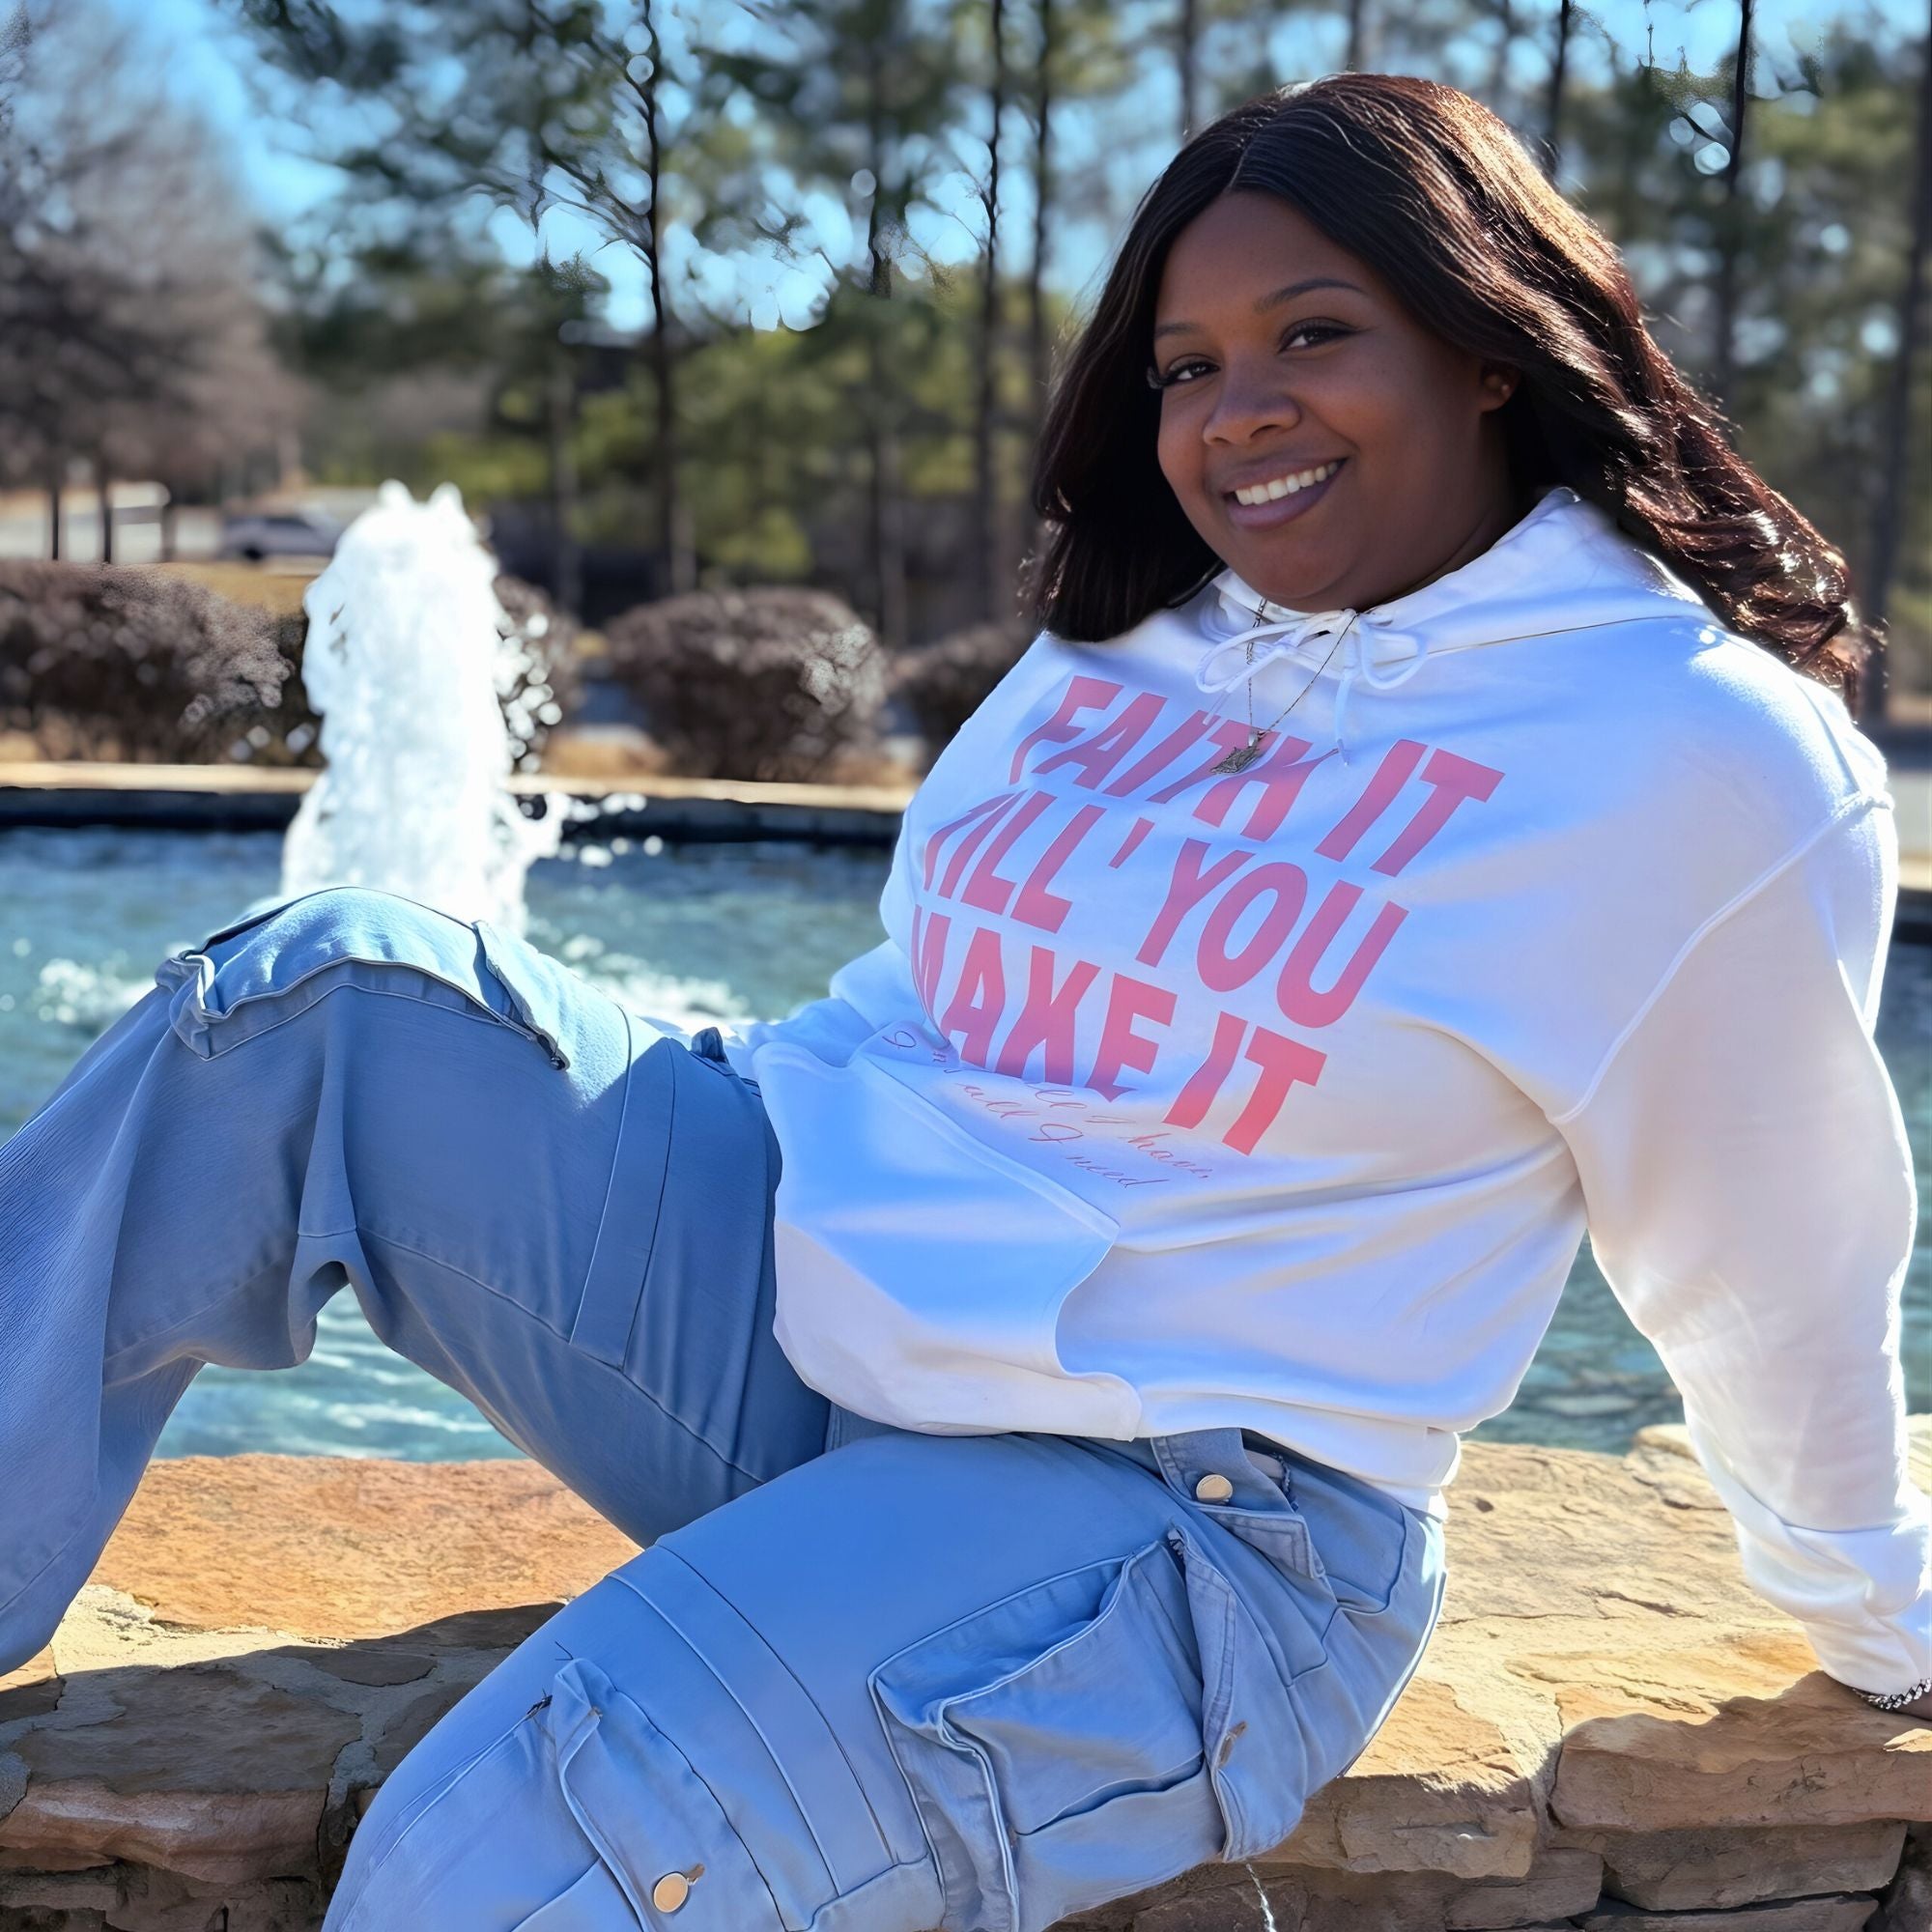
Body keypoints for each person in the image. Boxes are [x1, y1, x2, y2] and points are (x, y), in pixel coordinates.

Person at [3, 70, 1927, 1932]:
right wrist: (610, 1152)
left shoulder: (1689, 757)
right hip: (817, 1342)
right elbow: (909, 1010)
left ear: (1485, 342)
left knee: (525, 1838)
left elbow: (1769, 1263)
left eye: (1312, 334)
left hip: (1181, 1517)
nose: (1234, 411)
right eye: (1186, 366)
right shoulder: (1137, 645)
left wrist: (1880, 1622)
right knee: (320, 995)